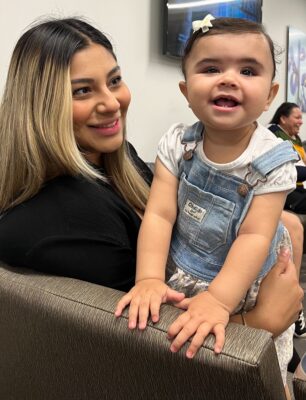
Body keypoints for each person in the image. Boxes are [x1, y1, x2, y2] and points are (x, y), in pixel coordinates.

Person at [0, 17, 303, 395]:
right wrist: (263, 321)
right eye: (81, 91)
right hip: (219, 342)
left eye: (114, 81)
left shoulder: (117, 157)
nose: (112, 103)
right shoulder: (62, 218)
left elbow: (250, 226)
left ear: (270, 93)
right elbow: (152, 335)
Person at [116, 16, 300, 394]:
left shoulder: (275, 161)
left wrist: (218, 299)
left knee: (257, 374)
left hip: (244, 281)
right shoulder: (178, 144)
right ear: (186, 90)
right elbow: (160, 214)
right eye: (211, 68)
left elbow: (254, 235)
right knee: (185, 362)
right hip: (184, 266)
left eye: (248, 70)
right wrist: (148, 278)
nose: (228, 78)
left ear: (270, 94)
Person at [269, 102, 306, 339]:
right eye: (297, 117)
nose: (300, 122)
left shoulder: (296, 140)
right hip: (287, 193)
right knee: (292, 224)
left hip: (297, 189)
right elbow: (289, 172)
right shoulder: (274, 137)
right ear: (282, 118)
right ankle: (295, 308)